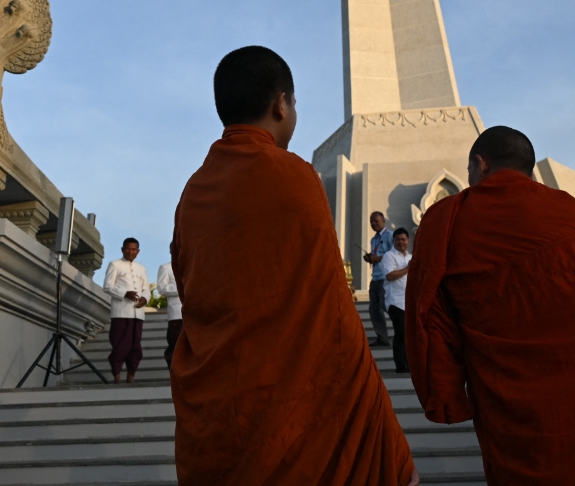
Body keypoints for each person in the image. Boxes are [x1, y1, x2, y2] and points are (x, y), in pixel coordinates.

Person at [169, 46, 416, 485]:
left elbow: (195, 299)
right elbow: (333, 311)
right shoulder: (294, 177)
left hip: (224, 415)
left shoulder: (193, 195)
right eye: (295, 102)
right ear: (280, 104)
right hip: (297, 414)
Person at [407, 126, 575, 485]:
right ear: (529, 169)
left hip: (511, 411)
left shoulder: (448, 221)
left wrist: (446, 393)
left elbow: (430, 319)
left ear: (480, 164)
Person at [102, 238, 147, 383]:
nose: (131, 252)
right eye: (128, 249)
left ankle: (131, 377)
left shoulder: (141, 269)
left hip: (138, 314)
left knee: (135, 347)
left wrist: (145, 299)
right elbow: (108, 286)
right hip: (121, 312)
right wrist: (124, 293)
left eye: (134, 249)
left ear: (138, 251)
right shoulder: (115, 264)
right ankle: (117, 377)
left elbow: (146, 289)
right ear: (122, 249)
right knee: (120, 345)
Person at [381, 227, 412, 374]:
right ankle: (401, 366)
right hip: (396, 302)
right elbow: (390, 275)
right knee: (401, 333)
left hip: (410, 302)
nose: (401, 242)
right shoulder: (389, 256)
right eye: (398, 239)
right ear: (393, 241)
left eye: (403, 239)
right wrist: (407, 269)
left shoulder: (411, 257)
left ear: (408, 241)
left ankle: (410, 364)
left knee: (409, 335)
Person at [362, 211, 394, 347]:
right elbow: (378, 256)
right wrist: (370, 258)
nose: (374, 224)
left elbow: (394, 255)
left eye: (376, 221)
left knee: (385, 305)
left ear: (383, 221)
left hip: (386, 277)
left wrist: (378, 258)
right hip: (375, 277)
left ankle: (403, 327)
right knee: (374, 309)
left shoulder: (390, 236)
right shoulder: (373, 239)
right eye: (371, 222)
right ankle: (382, 337)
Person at [155, 260, 182, 368]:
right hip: (176, 312)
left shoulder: (192, 265)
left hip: (192, 311)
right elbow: (162, 288)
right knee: (174, 343)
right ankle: (173, 371)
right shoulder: (166, 267)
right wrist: (181, 287)